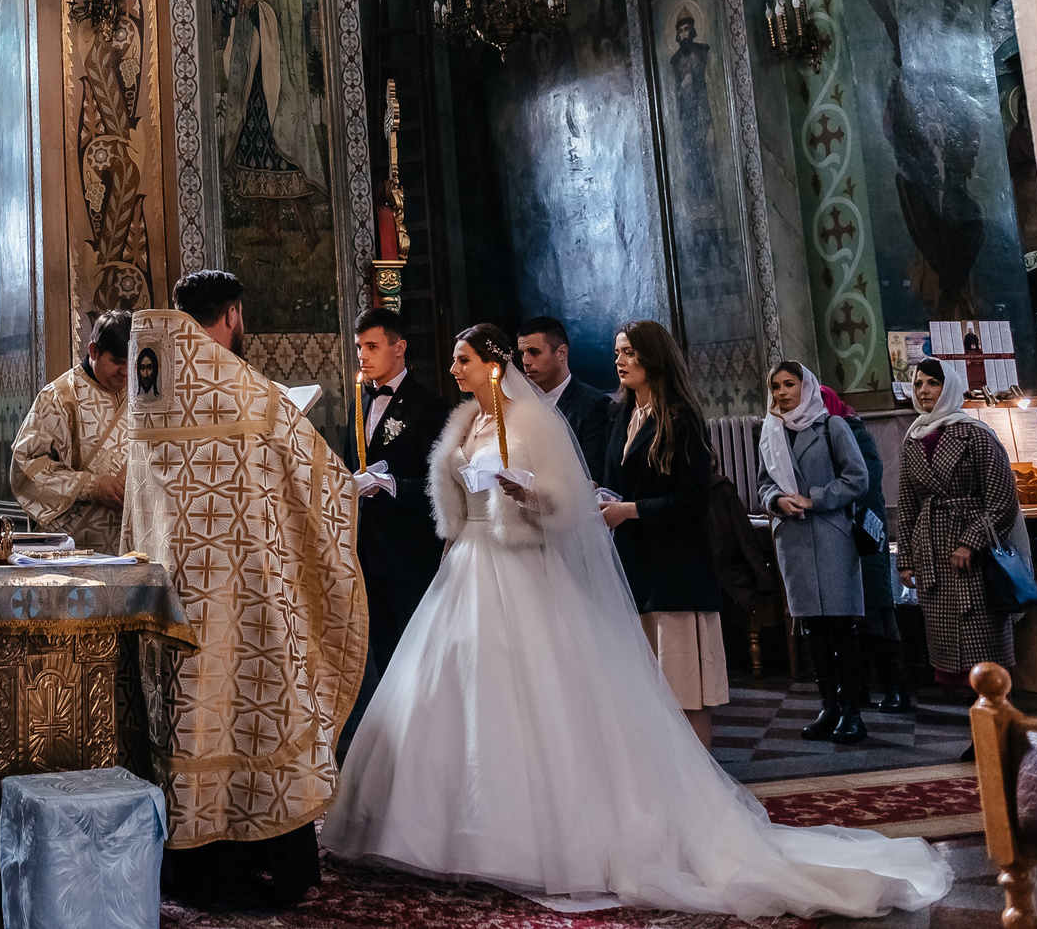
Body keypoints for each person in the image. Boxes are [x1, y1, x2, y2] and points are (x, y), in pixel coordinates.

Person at [322, 333, 951, 918]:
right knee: (446, 691)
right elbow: (451, 494)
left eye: (463, 359)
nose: (453, 369)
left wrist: (525, 495)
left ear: (491, 364)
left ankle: (531, 835)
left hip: (518, 568)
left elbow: (562, 502)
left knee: (531, 697)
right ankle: (442, 828)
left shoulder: (530, 421)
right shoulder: (467, 422)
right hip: (468, 564)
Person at [128, 271, 363, 912]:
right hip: (245, 590)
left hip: (167, 587)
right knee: (252, 715)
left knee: (187, 720)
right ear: (232, 312)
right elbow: (323, 485)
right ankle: (260, 860)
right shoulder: (248, 391)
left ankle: (189, 866)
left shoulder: (148, 382)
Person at [601, 318, 728, 745]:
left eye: (630, 353)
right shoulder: (621, 413)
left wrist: (628, 511)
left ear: (653, 358)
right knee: (646, 693)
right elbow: (616, 482)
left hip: (677, 571)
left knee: (685, 691)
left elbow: (692, 501)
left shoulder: (681, 418)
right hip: (635, 568)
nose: (620, 361)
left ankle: (703, 789)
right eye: (618, 352)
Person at [760, 362, 874, 744]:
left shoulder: (831, 426)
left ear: (806, 386)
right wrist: (777, 500)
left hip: (830, 535)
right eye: (776, 386)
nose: (782, 393)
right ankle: (829, 706)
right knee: (813, 629)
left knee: (841, 626)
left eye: (790, 384)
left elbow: (857, 478)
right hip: (793, 538)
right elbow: (764, 483)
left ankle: (852, 712)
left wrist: (816, 499)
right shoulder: (771, 432)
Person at [897, 358, 1025, 691]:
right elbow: (909, 504)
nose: (924, 390)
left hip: (975, 560)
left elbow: (1002, 499)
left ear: (949, 387)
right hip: (933, 555)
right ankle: (976, 733)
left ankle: (996, 732)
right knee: (951, 663)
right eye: (919, 384)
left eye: (933, 383)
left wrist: (971, 541)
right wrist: (907, 559)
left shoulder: (976, 435)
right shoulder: (913, 439)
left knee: (984, 654)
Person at [346, 308, 450, 686]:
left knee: (418, 657)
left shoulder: (428, 406)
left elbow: (438, 484)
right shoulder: (359, 403)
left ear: (399, 347)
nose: (363, 355)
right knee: (384, 662)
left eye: (372, 346)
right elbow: (349, 466)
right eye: (359, 347)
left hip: (410, 554)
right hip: (368, 555)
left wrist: (390, 485)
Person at [9, 310, 132, 552]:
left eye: (133, 363)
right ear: (94, 351)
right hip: (72, 547)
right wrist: (92, 486)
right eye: (118, 362)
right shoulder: (58, 397)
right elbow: (25, 467)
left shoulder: (144, 394)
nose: (126, 372)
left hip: (131, 544)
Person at [822, 382, 909, 714]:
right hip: (834, 536)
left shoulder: (854, 432)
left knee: (875, 616)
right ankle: (854, 689)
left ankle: (895, 686)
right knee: (842, 621)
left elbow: (867, 479)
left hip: (863, 533)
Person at [517, 315, 611, 479]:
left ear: (561, 352)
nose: (526, 361)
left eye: (534, 352)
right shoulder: (520, 405)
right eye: (522, 353)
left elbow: (592, 473)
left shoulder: (594, 404)